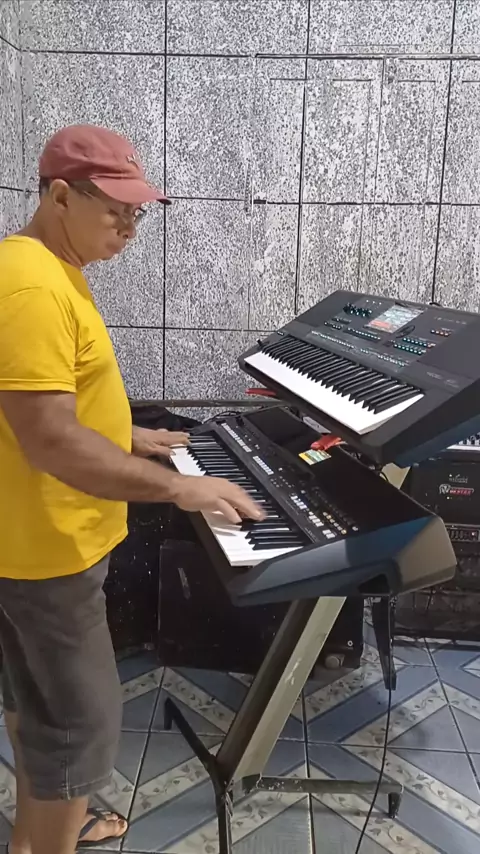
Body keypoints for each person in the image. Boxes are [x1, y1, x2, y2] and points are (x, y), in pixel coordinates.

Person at [0, 124, 264, 854]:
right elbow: (50, 439)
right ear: (59, 196)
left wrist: (130, 437)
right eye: (115, 209)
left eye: (137, 213)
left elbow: (52, 407)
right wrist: (178, 491)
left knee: (36, 704)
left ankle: (39, 831)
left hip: (35, 542)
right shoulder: (30, 285)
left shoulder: (51, 267)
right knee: (79, 725)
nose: (129, 228)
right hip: (49, 555)